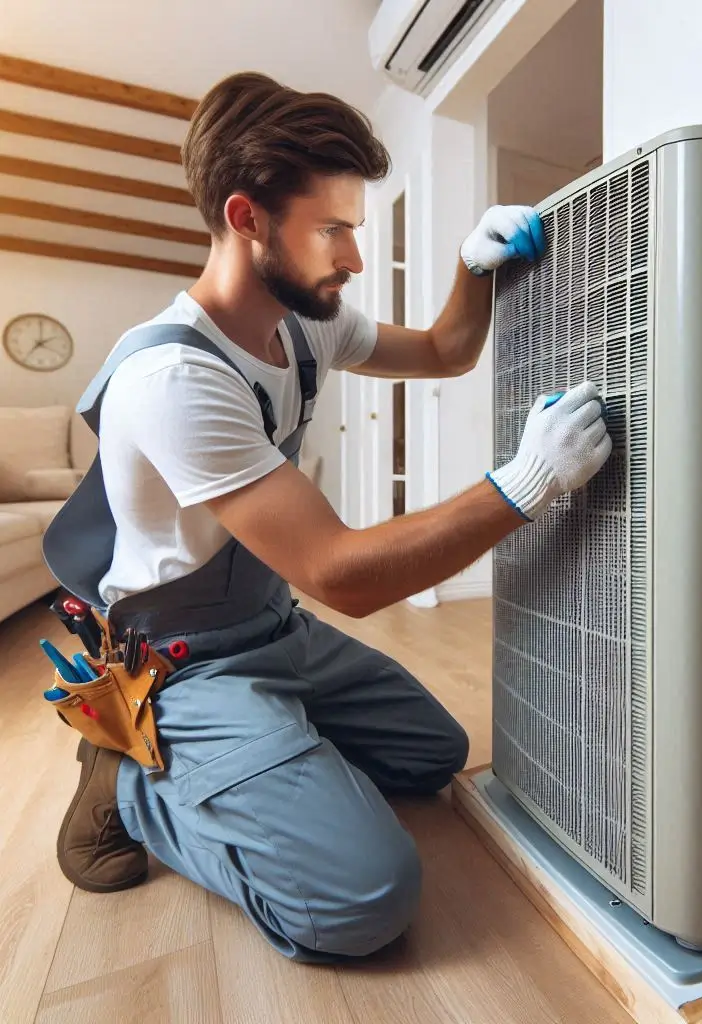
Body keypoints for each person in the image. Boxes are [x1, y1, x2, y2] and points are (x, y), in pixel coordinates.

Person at [43, 71, 611, 962]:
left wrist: (472, 267)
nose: (351, 255)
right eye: (335, 229)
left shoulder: (306, 324)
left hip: (272, 628)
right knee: (363, 899)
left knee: (432, 754)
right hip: (184, 665)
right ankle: (130, 781)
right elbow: (343, 575)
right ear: (247, 219)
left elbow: (444, 351)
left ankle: (266, 758)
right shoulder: (174, 378)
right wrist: (527, 481)